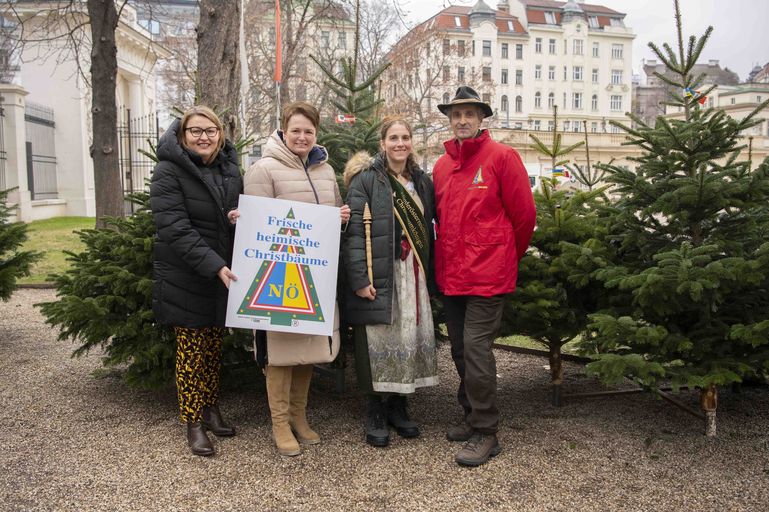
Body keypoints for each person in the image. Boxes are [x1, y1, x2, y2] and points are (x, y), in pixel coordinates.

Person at [433, 86, 536, 467]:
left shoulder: (501, 157)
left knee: (476, 349)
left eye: (469, 114)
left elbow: (524, 216)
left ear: (481, 119)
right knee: (459, 348)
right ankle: (471, 415)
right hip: (453, 274)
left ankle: (487, 431)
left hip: (489, 275)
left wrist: (505, 255)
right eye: (456, 114)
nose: (462, 120)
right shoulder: (443, 165)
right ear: (450, 119)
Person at [244, 101, 350, 457]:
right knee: (279, 352)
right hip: (279, 276)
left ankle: (299, 416)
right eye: (296, 130)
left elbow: (332, 218)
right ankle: (278, 423)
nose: (302, 137)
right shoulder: (264, 169)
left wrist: (341, 217)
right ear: (284, 131)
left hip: (316, 273)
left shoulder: (325, 170)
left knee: (308, 349)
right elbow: (258, 226)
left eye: (308, 131)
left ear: (316, 133)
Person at [150, 106, 243, 457]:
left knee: (212, 347)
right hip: (186, 274)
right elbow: (174, 226)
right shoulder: (168, 170)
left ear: (220, 133)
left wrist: (237, 217)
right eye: (196, 131)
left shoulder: (229, 168)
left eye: (211, 130)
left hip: (221, 274)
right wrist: (214, 265)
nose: (204, 137)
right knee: (191, 350)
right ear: (183, 135)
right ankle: (192, 422)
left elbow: (232, 212)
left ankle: (211, 408)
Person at [342, 116, 438, 447]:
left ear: (412, 143)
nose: (400, 143)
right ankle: (376, 410)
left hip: (413, 274)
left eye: (405, 137)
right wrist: (359, 278)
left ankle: (399, 407)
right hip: (380, 273)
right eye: (393, 138)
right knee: (377, 339)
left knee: (407, 335)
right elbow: (354, 233)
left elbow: (430, 230)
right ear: (382, 143)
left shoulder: (422, 182)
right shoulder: (366, 180)